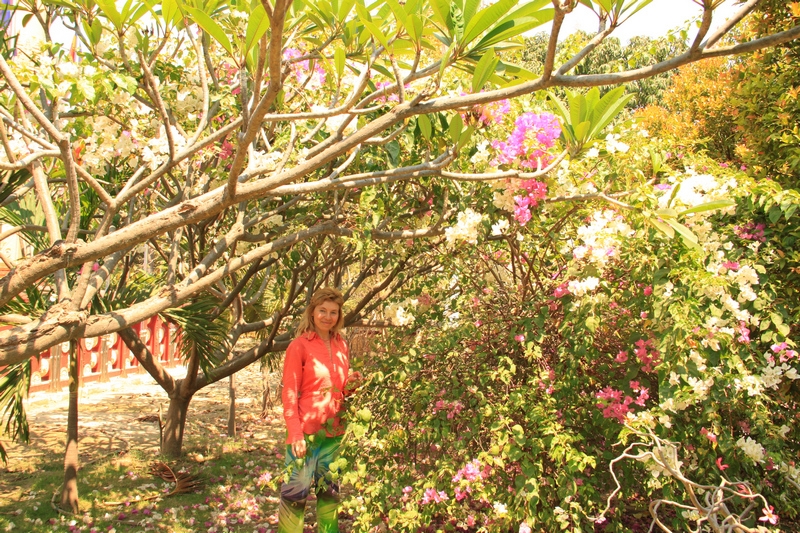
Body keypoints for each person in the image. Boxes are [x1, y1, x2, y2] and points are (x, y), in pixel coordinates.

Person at [278, 287, 361, 533]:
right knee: (295, 498)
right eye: (322, 310)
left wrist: (352, 384)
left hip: (334, 433)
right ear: (312, 312)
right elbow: (290, 392)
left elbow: (340, 389)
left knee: (330, 496)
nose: (327, 316)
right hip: (306, 434)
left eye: (333, 312)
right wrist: (295, 434)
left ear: (339, 315)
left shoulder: (341, 344)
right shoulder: (299, 346)